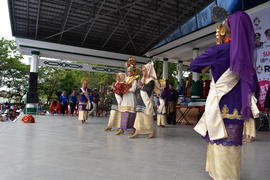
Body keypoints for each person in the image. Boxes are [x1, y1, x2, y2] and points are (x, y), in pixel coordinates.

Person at [190, 9, 259, 180]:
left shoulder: (219, 50)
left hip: (219, 103)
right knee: (232, 144)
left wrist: (211, 63)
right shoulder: (248, 55)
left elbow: (194, 65)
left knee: (217, 140)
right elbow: (253, 84)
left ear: (229, 28)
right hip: (238, 105)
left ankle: (219, 175)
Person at [130, 63, 160, 138]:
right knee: (139, 116)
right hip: (141, 99)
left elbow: (148, 90)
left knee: (147, 117)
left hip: (147, 100)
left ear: (148, 70)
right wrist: (137, 80)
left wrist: (142, 87)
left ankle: (151, 132)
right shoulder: (144, 78)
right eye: (142, 70)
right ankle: (137, 131)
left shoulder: (151, 80)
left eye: (144, 70)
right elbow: (140, 86)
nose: (143, 72)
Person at [115, 64, 138, 135]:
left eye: (130, 71)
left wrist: (127, 89)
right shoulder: (125, 78)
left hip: (131, 97)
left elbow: (134, 89)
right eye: (127, 71)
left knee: (132, 114)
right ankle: (122, 129)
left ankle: (133, 129)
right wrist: (120, 89)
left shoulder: (134, 79)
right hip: (125, 97)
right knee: (124, 113)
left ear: (132, 72)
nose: (128, 73)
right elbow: (121, 85)